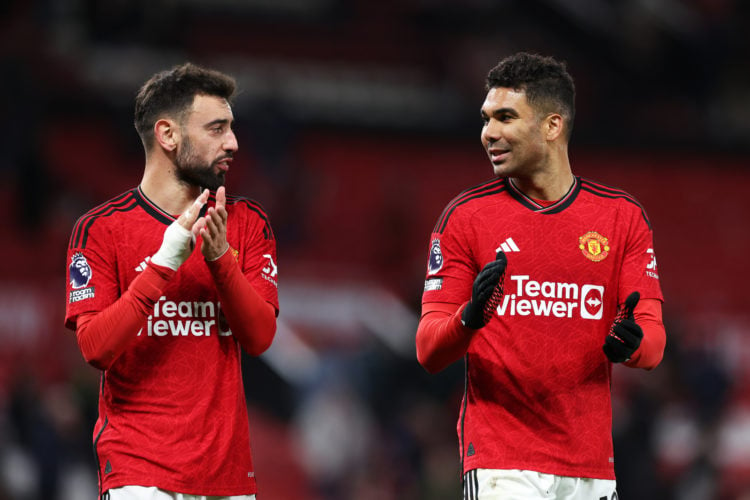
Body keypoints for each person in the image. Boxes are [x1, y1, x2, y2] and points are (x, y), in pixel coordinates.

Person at [415, 52, 666, 499]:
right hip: (501, 460)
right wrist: (470, 317)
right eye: (486, 119)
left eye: (505, 117)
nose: (488, 133)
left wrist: (632, 345)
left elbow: (652, 342)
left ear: (552, 126)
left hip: (590, 463)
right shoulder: (465, 218)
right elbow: (429, 349)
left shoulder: (621, 218)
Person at [64, 63, 279, 500]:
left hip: (228, 479)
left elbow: (259, 338)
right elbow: (95, 349)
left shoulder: (247, 224)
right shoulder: (102, 229)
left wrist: (220, 259)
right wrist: (164, 262)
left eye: (231, 128)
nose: (233, 143)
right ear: (168, 135)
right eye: (216, 129)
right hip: (137, 474)